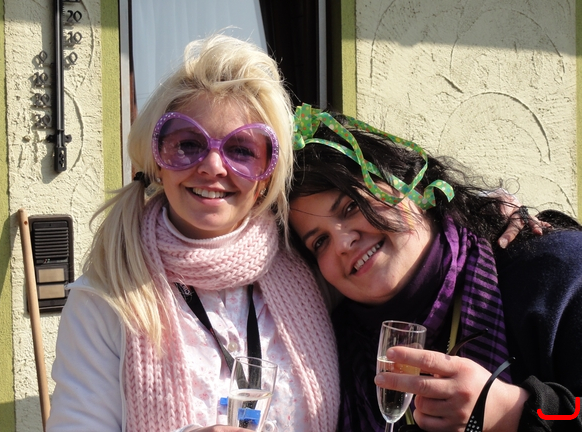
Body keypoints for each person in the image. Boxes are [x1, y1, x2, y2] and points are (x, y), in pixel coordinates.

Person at [46, 37, 339, 432]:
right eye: (188, 144)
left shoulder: (312, 267)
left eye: (241, 150)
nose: (213, 166)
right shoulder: (105, 298)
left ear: (266, 176)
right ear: (157, 161)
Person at [288, 104, 582, 432]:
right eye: (319, 241)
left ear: (411, 185)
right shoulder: (335, 358)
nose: (343, 243)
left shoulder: (554, 275)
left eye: (351, 206)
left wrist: (513, 412)